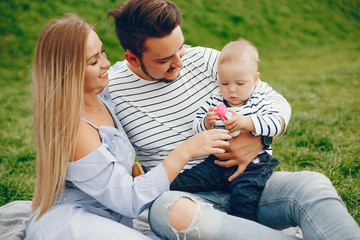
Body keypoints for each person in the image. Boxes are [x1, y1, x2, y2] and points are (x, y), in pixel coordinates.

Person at [106, 0, 360, 239]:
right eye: (165, 59)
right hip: (188, 200)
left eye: (180, 48)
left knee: (313, 185)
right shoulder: (113, 93)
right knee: (166, 211)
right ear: (132, 58)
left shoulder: (206, 60)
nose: (180, 62)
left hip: (248, 184)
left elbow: (275, 101)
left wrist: (260, 139)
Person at [25, 14, 231, 240]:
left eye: (102, 51)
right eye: (93, 61)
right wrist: (187, 150)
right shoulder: (76, 130)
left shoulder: (103, 97)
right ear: (67, 72)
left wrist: (168, 56)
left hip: (111, 219)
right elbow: (130, 200)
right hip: (72, 222)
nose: (106, 62)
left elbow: (129, 69)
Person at [170, 38, 282, 221]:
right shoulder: (215, 101)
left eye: (240, 84)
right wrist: (207, 123)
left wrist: (247, 123)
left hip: (253, 164)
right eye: (224, 83)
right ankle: (151, 179)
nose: (232, 90)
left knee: (244, 197)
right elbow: (196, 127)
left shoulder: (259, 101)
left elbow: (274, 124)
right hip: (216, 162)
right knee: (187, 180)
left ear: (255, 80)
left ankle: (244, 228)